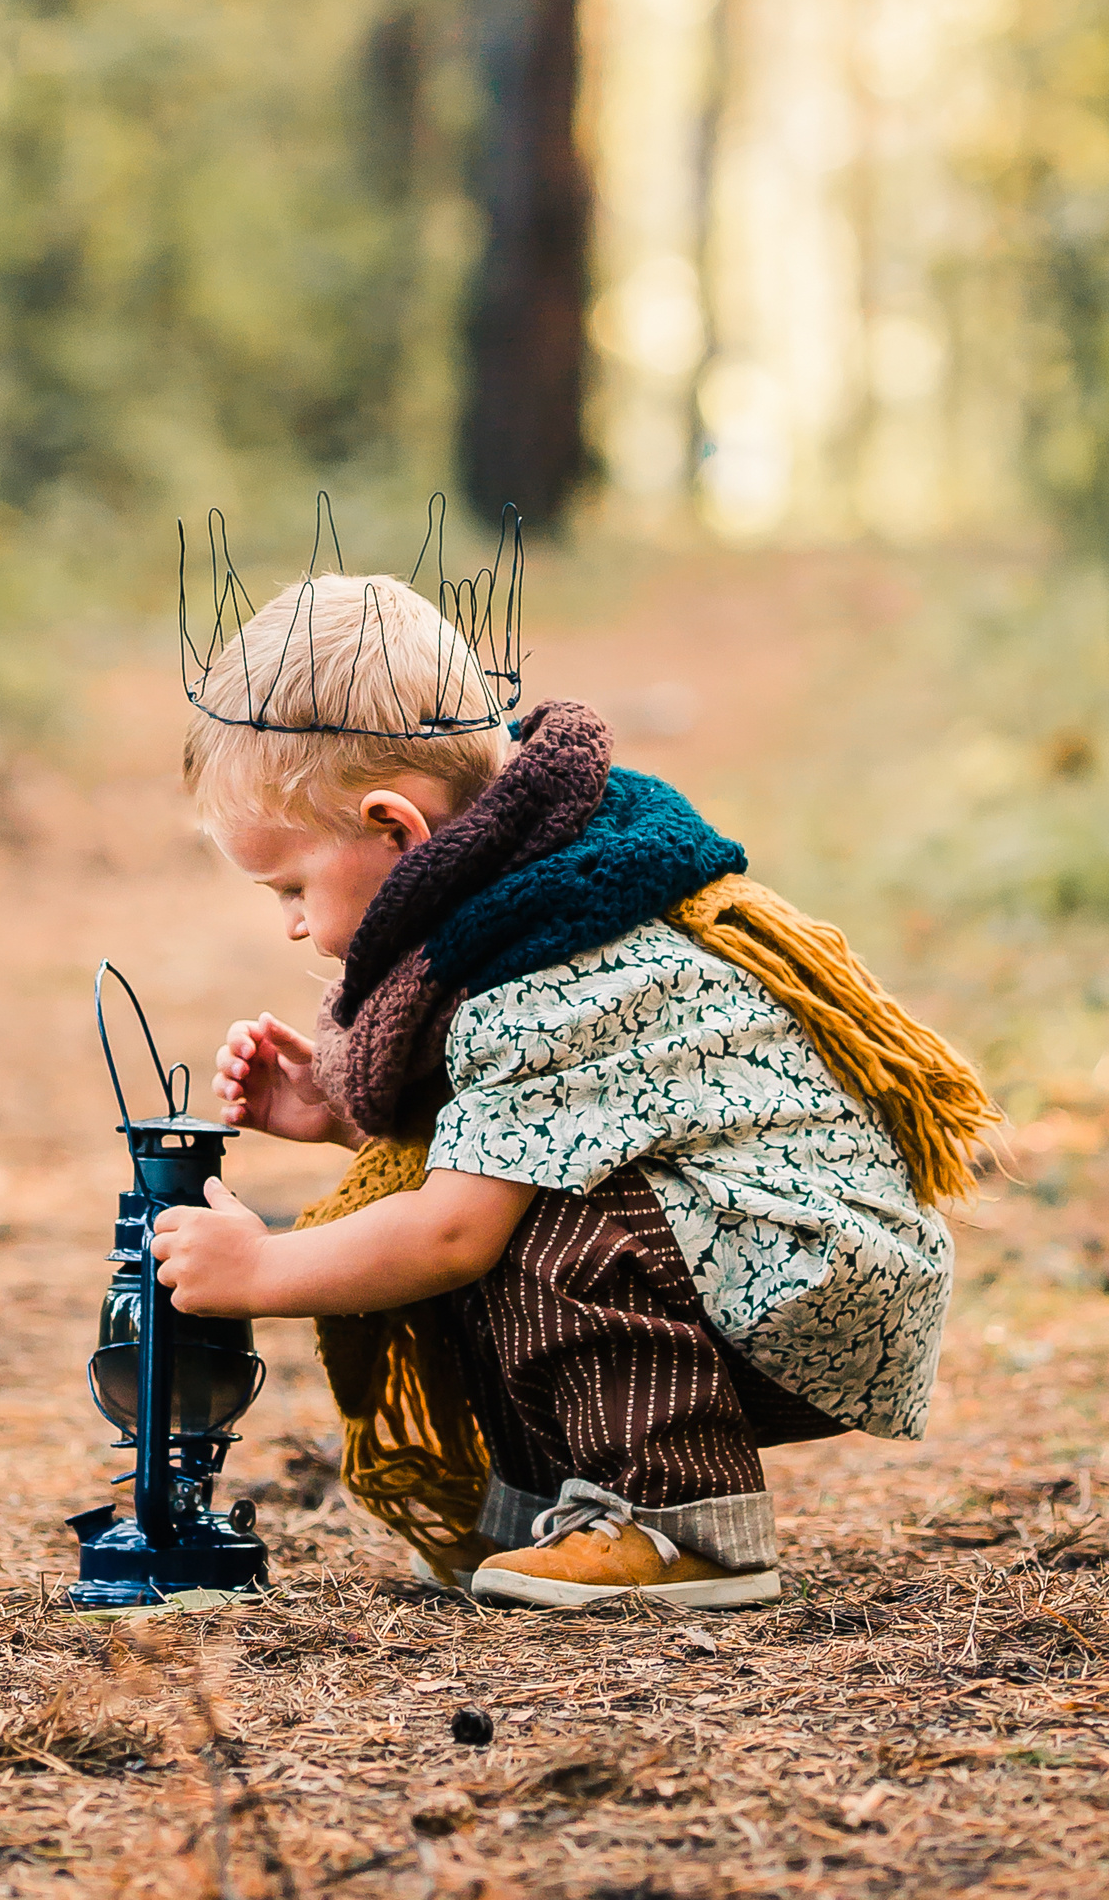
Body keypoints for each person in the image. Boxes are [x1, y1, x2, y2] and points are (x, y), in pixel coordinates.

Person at [153, 571, 975, 1614]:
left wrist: (263, 1268)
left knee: (508, 1226)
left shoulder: (546, 970)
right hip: (750, 1248)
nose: (293, 931)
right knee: (510, 1206)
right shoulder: (531, 890)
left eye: (291, 890)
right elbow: (502, 1119)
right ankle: (546, 1514)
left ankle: (682, 1526)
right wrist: (343, 1112)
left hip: (805, 1272)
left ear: (397, 830)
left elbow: (452, 1232)